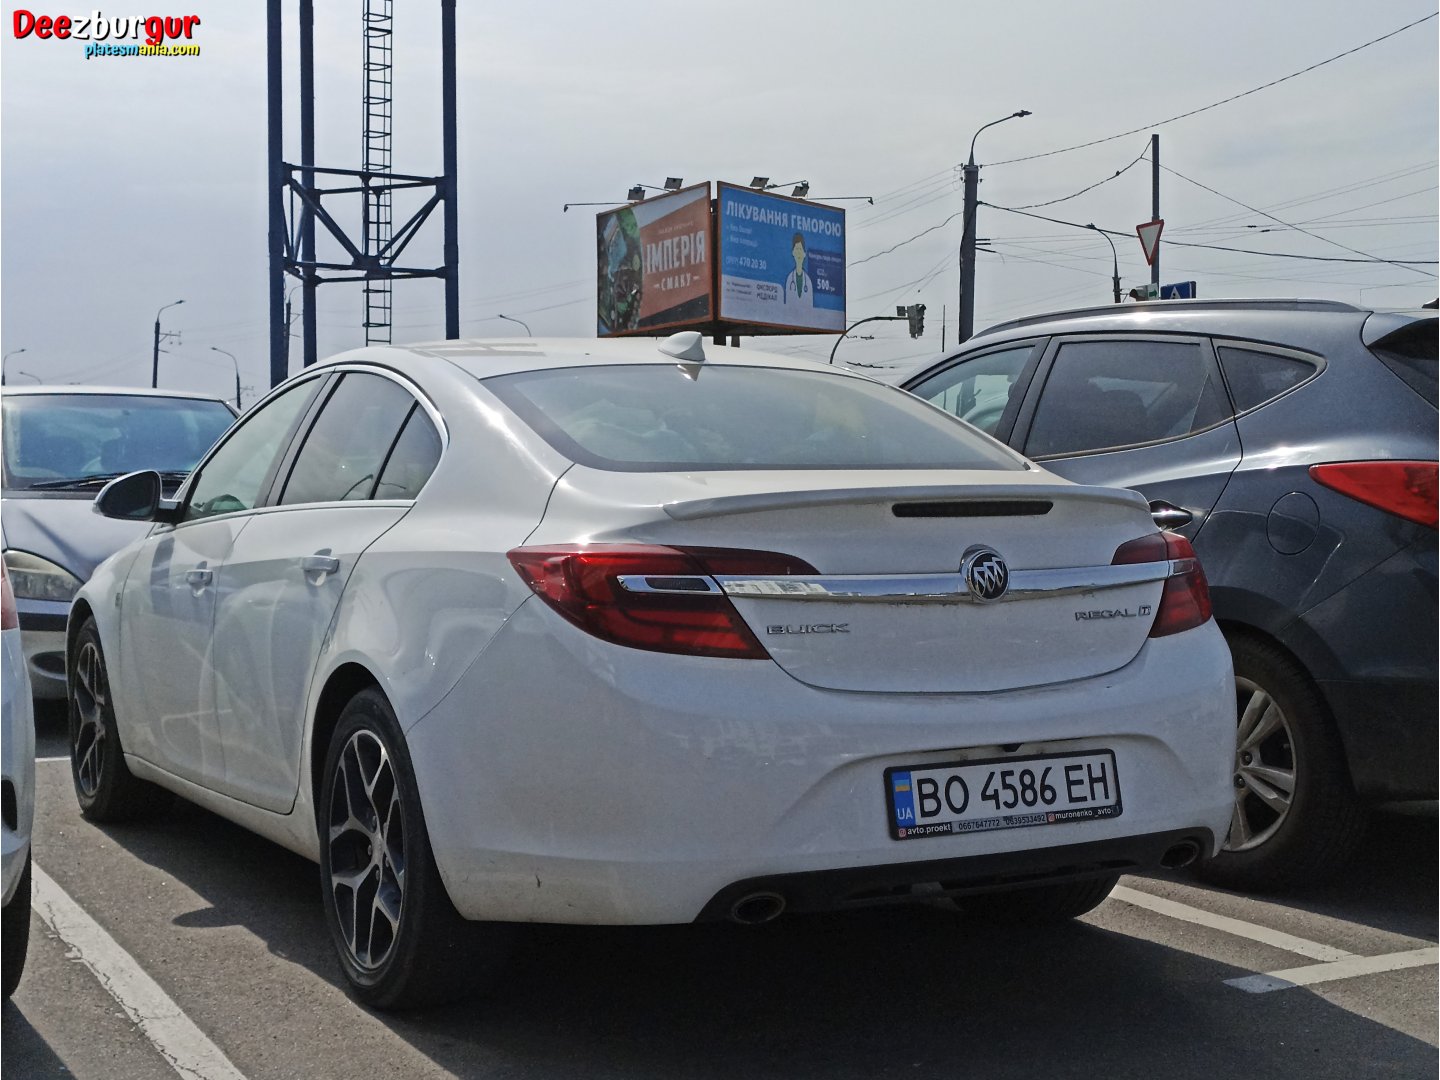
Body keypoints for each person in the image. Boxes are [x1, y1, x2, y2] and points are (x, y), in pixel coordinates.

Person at [781, 232, 816, 312]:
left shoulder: (808, 282)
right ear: (793, 253)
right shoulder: (789, 279)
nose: (799, 253)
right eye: (797, 249)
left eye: (800, 249)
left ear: (804, 254)